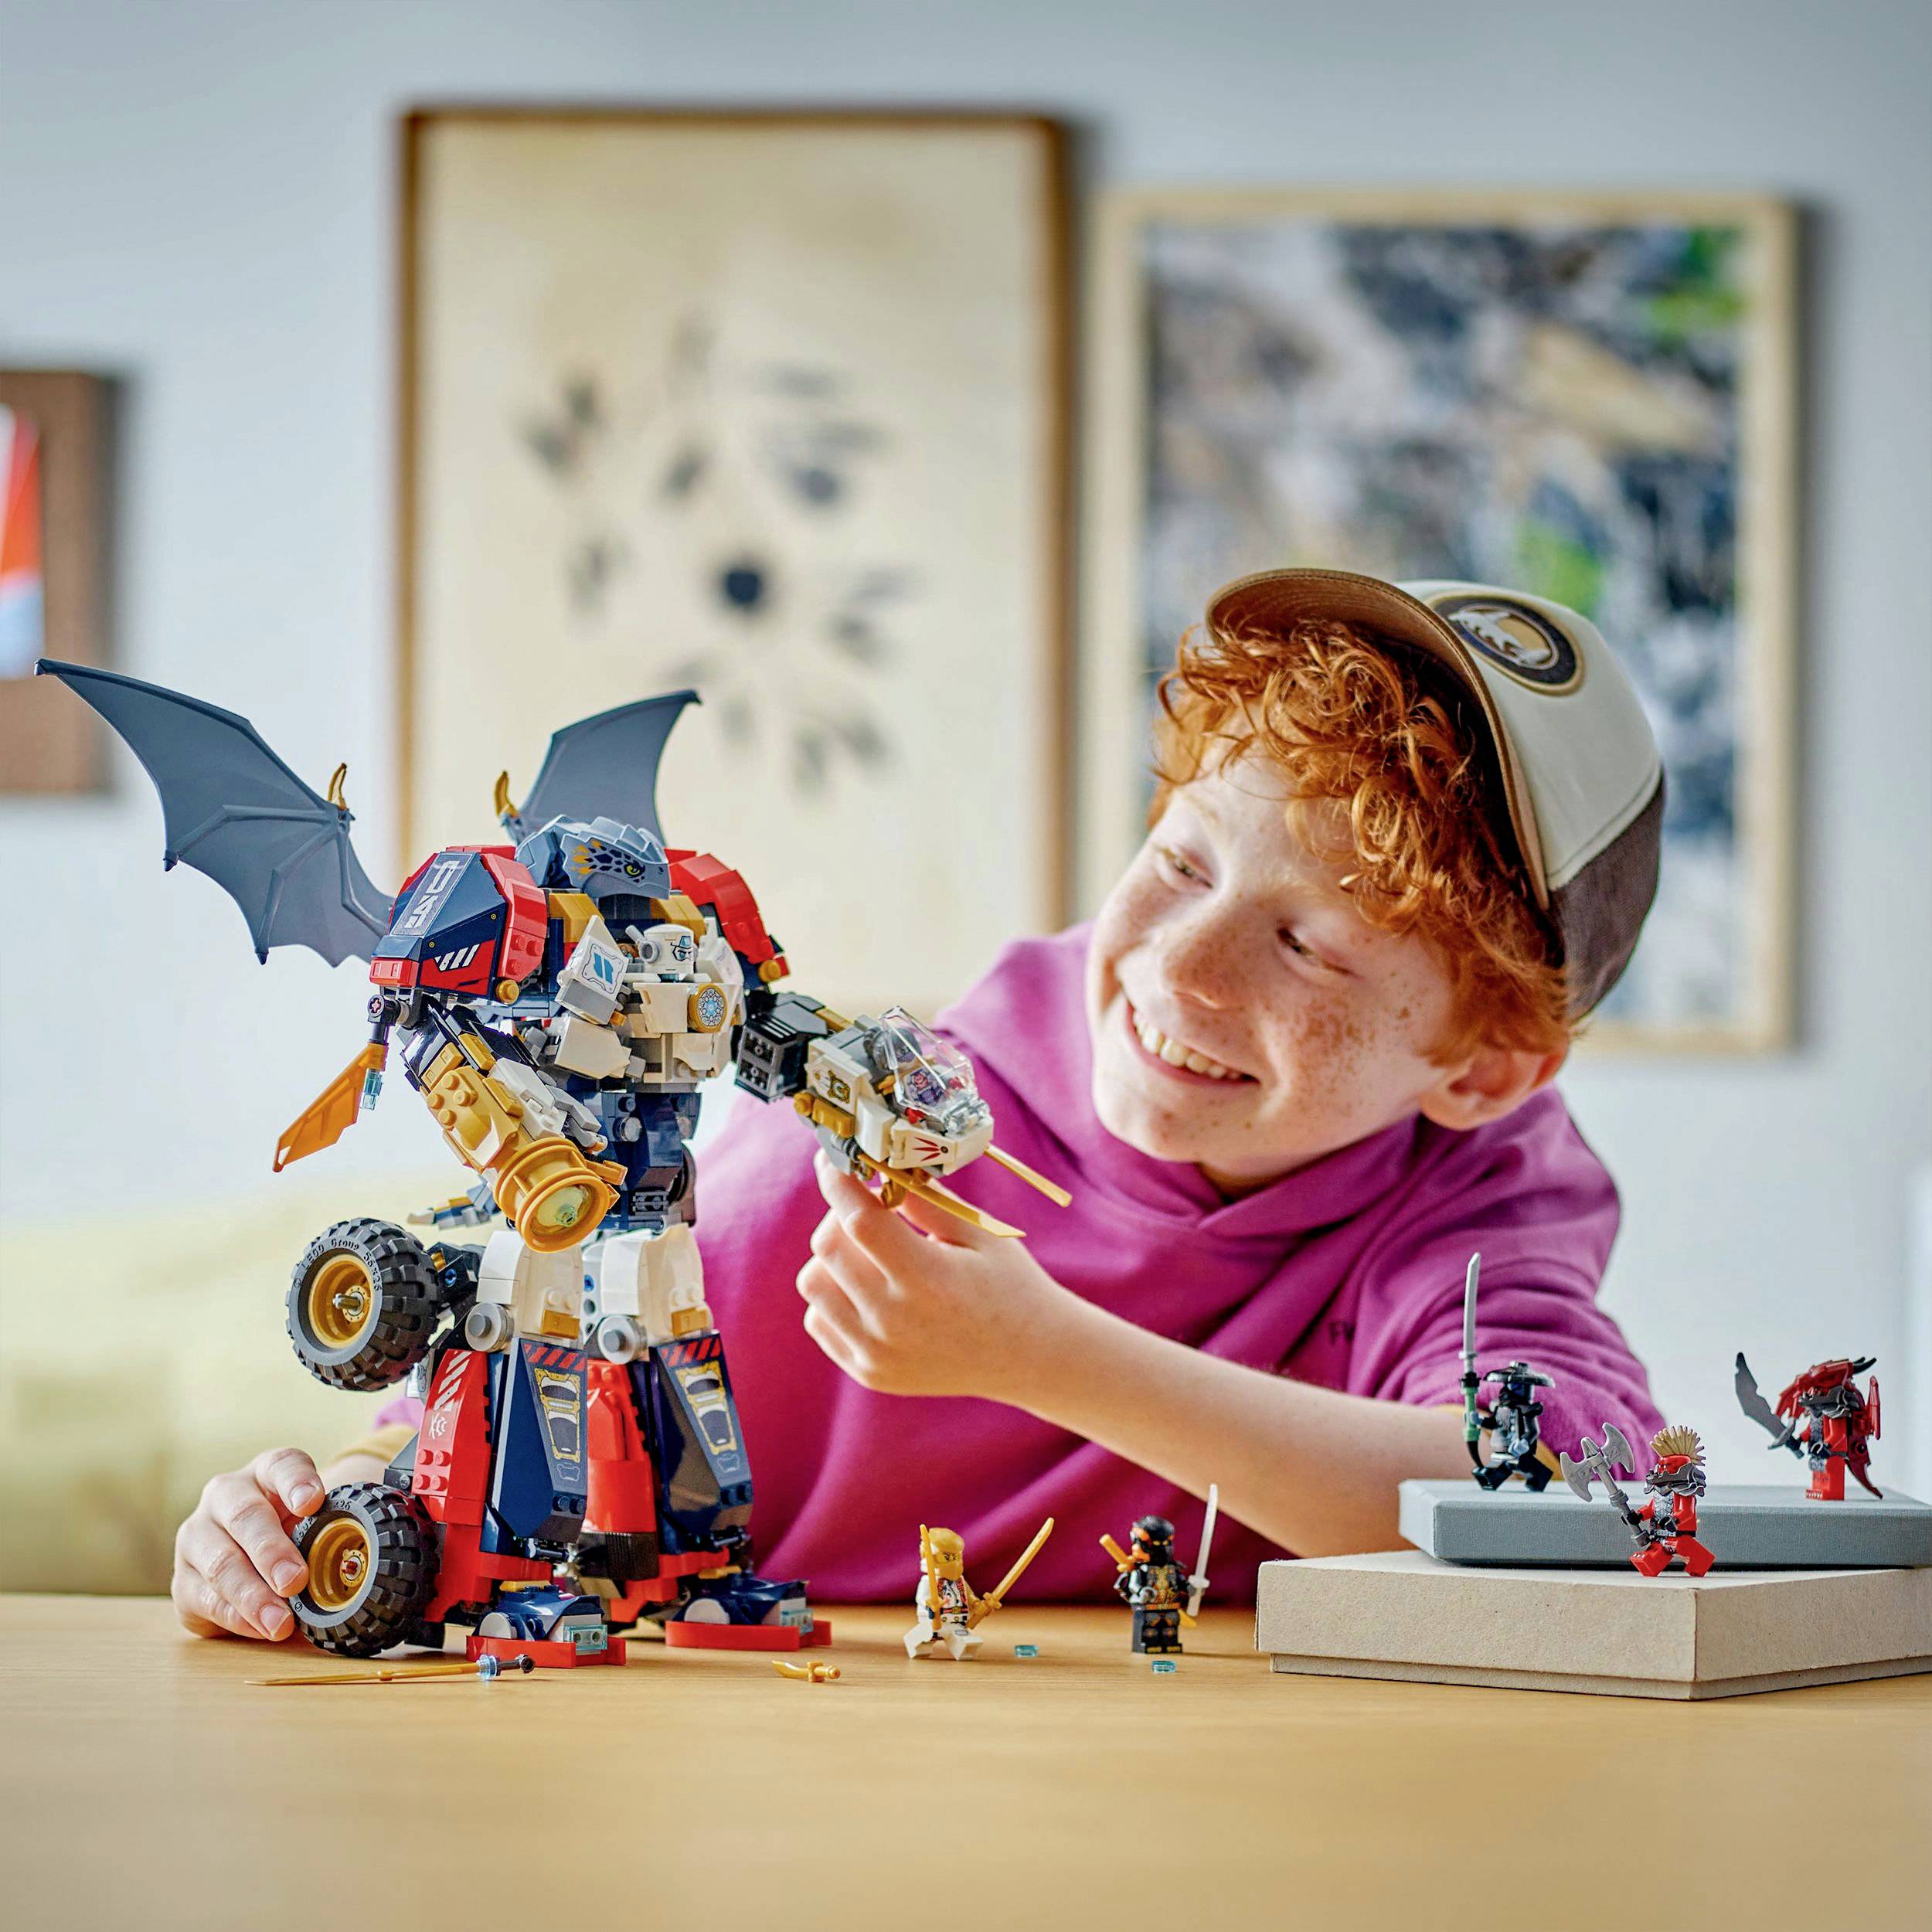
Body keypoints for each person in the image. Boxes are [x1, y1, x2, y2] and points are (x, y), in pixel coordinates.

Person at [171, 568, 1665, 1643]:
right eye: (1186, 863)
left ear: (1480, 1072)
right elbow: (488, 1438)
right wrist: (308, 1517)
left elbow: (1569, 1515)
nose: (1178, 972)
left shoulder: (1478, 1198)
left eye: (1314, 946)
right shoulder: (858, 1155)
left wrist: (1039, 1356)